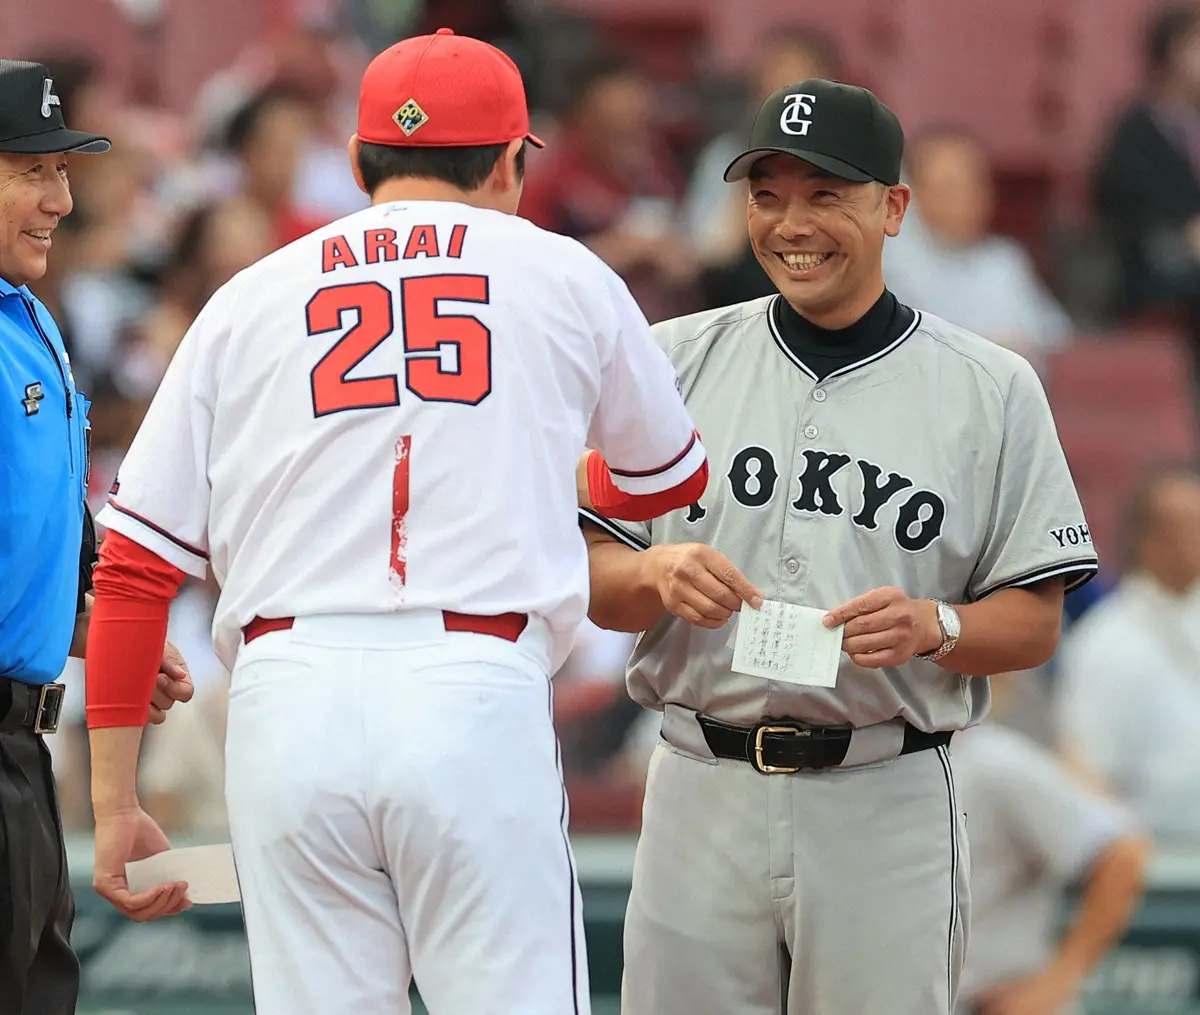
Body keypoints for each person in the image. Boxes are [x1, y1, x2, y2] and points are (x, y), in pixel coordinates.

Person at [83, 29, 707, 1015]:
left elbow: (131, 569)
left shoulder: (249, 297)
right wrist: (534, 461)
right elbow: (661, 477)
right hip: (469, 689)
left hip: (287, 701)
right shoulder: (565, 272)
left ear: (365, 159)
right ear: (510, 160)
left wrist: (115, 803)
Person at [579, 78, 1099, 1015]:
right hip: (702, 780)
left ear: (893, 208)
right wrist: (652, 570)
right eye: (768, 194)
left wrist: (937, 623)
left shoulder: (993, 387)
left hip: (883, 787)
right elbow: (594, 578)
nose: (793, 223)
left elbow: (1033, 620)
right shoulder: (668, 359)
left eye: (826, 194)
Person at [0, 59, 192, 1015]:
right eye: (31, 171)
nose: (61, 200)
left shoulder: (29, 316)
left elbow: (42, 518)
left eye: (63, 172)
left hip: (23, 752)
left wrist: (85, 624)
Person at [952, 672, 1149, 1015]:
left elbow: (1123, 854)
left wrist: (1057, 981)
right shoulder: (865, 772)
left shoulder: (994, 761)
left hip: (990, 995)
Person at [1055, 461, 1200, 843]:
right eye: (1189, 525)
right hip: (1159, 866)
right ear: (1149, 540)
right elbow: (1086, 775)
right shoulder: (1106, 641)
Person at [883, 125, 1073, 372]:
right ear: (911, 197)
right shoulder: (890, 267)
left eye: (974, 185)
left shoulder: (1005, 262)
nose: (964, 200)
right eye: (948, 188)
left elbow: (1059, 342)